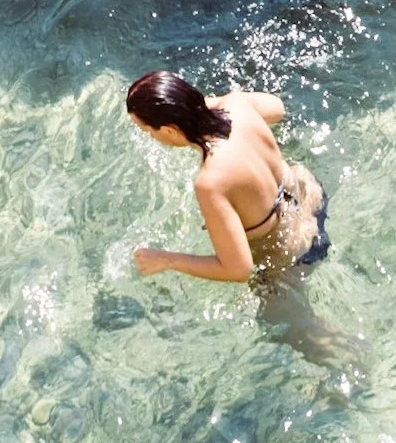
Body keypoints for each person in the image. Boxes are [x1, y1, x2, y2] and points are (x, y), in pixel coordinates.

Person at [126, 71, 329, 285]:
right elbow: (276, 108)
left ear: (168, 130)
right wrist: (192, 109)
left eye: (149, 131)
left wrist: (166, 260)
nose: (151, 138)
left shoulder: (211, 183)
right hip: (311, 198)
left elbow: (238, 270)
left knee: (272, 312)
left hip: (291, 253)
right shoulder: (237, 104)